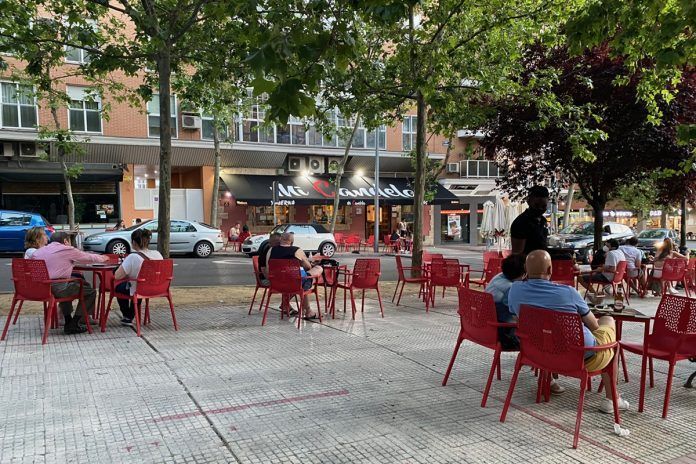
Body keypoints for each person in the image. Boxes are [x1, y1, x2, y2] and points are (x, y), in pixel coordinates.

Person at [508, 250, 628, 413]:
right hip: (580, 356)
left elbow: (518, 320)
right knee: (608, 324)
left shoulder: (515, 290)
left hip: (539, 353)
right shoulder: (569, 293)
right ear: (550, 270)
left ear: (526, 270)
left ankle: (550, 380)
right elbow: (594, 326)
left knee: (548, 333)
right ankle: (612, 399)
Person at [31, 231, 109, 334]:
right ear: (65, 241)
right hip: (58, 288)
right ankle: (75, 322)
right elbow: (88, 258)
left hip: (42, 289)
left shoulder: (38, 252)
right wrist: (103, 258)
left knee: (67, 285)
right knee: (90, 292)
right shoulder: (66, 249)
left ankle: (68, 321)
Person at [266, 232, 323, 319]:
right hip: (295, 284)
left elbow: (268, 268)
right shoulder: (296, 250)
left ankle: (306, 310)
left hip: (276, 284)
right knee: (318, 269)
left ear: (280, 239)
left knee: (301, 280)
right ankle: (308, 311)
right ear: (292, 242)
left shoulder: (271, 250)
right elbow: (308, 266)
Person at [113, 229, 163, 326]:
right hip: (157, 288)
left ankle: (128, 316)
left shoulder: (133, 257)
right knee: (137, 285)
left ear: (134, 242)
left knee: (120, 288)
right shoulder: (158, 254)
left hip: (139, 289)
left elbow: (117, 276)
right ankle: (129, 316)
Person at [484, 254, 526, 349]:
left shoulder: (499, 277)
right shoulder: (510, 289)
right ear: (523, 274)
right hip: (503, 333)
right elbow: (517, 312)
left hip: (487, 328)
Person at [510, 185, 549, 255]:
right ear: (528, 201)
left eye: (544, 206)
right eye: (536, 205)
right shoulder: (521, 223)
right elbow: (517, 254)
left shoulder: (543, 221)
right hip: (527, 264)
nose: (540, 209)